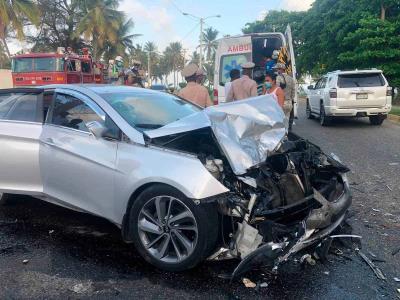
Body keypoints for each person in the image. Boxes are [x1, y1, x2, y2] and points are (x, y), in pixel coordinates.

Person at [274, 62, 296, 130]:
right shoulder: (291, 78)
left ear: (280, 69)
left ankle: (281, 137)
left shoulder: (278, 78)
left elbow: (276, 91)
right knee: (286, 121)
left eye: (277, 69)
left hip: (281, 103)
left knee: (280, 122)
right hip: (289, 103)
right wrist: (289, 99)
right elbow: (293, 92)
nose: (276, 71)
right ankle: (286, 134)